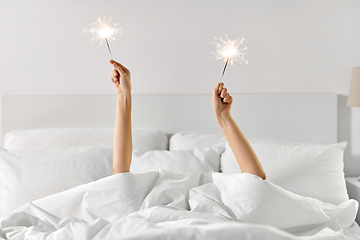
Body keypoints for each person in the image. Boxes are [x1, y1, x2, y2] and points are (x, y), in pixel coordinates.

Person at [109, 60, 266, 180]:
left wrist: (224, 117)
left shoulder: (212, 194)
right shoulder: (143, 198)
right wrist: (123, 94)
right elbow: (121, 179)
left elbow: (256, 185)